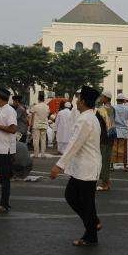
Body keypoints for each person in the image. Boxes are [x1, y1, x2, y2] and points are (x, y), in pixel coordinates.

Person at [50, 85, 103, 246]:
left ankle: (91, 234)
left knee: (83, 200)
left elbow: (74, 144)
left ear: (84, 101)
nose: (77, 101)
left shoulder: (86, 119)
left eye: (79, 99)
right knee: (73, 197)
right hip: (83, 167)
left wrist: (59, 166)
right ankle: (93, 223)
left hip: (87, 167)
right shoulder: (89, 117)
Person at [96, 91, 115, 191]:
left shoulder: (101, 110)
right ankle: (106, 181)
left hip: (103, 138)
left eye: (102, 97)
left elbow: (97, 125)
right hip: (111, 137)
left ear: (106, 98)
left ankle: (105, 183)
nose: (101, 98)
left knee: (103, 161)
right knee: (106, 160)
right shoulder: (112, 109)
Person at [112, 94, 128, 171]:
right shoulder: (127, 108)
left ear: (116, 100)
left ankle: (111, 166)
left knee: (114, 148)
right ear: (124, 101)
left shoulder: (113, 108)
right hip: (123, 131)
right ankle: (125, 166)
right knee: (124, 149)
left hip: (115, 130)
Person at [29, 91, 50, 158]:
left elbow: (31, 114)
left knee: (36, 140)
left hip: (36, 125)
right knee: (43, 140)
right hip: (44, 124)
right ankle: (43, 154)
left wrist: (30, 125)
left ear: (38, 99)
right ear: (44, 99)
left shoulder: (35, 106)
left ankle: (36, 154)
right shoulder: (47, 106)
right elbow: (48, 114)